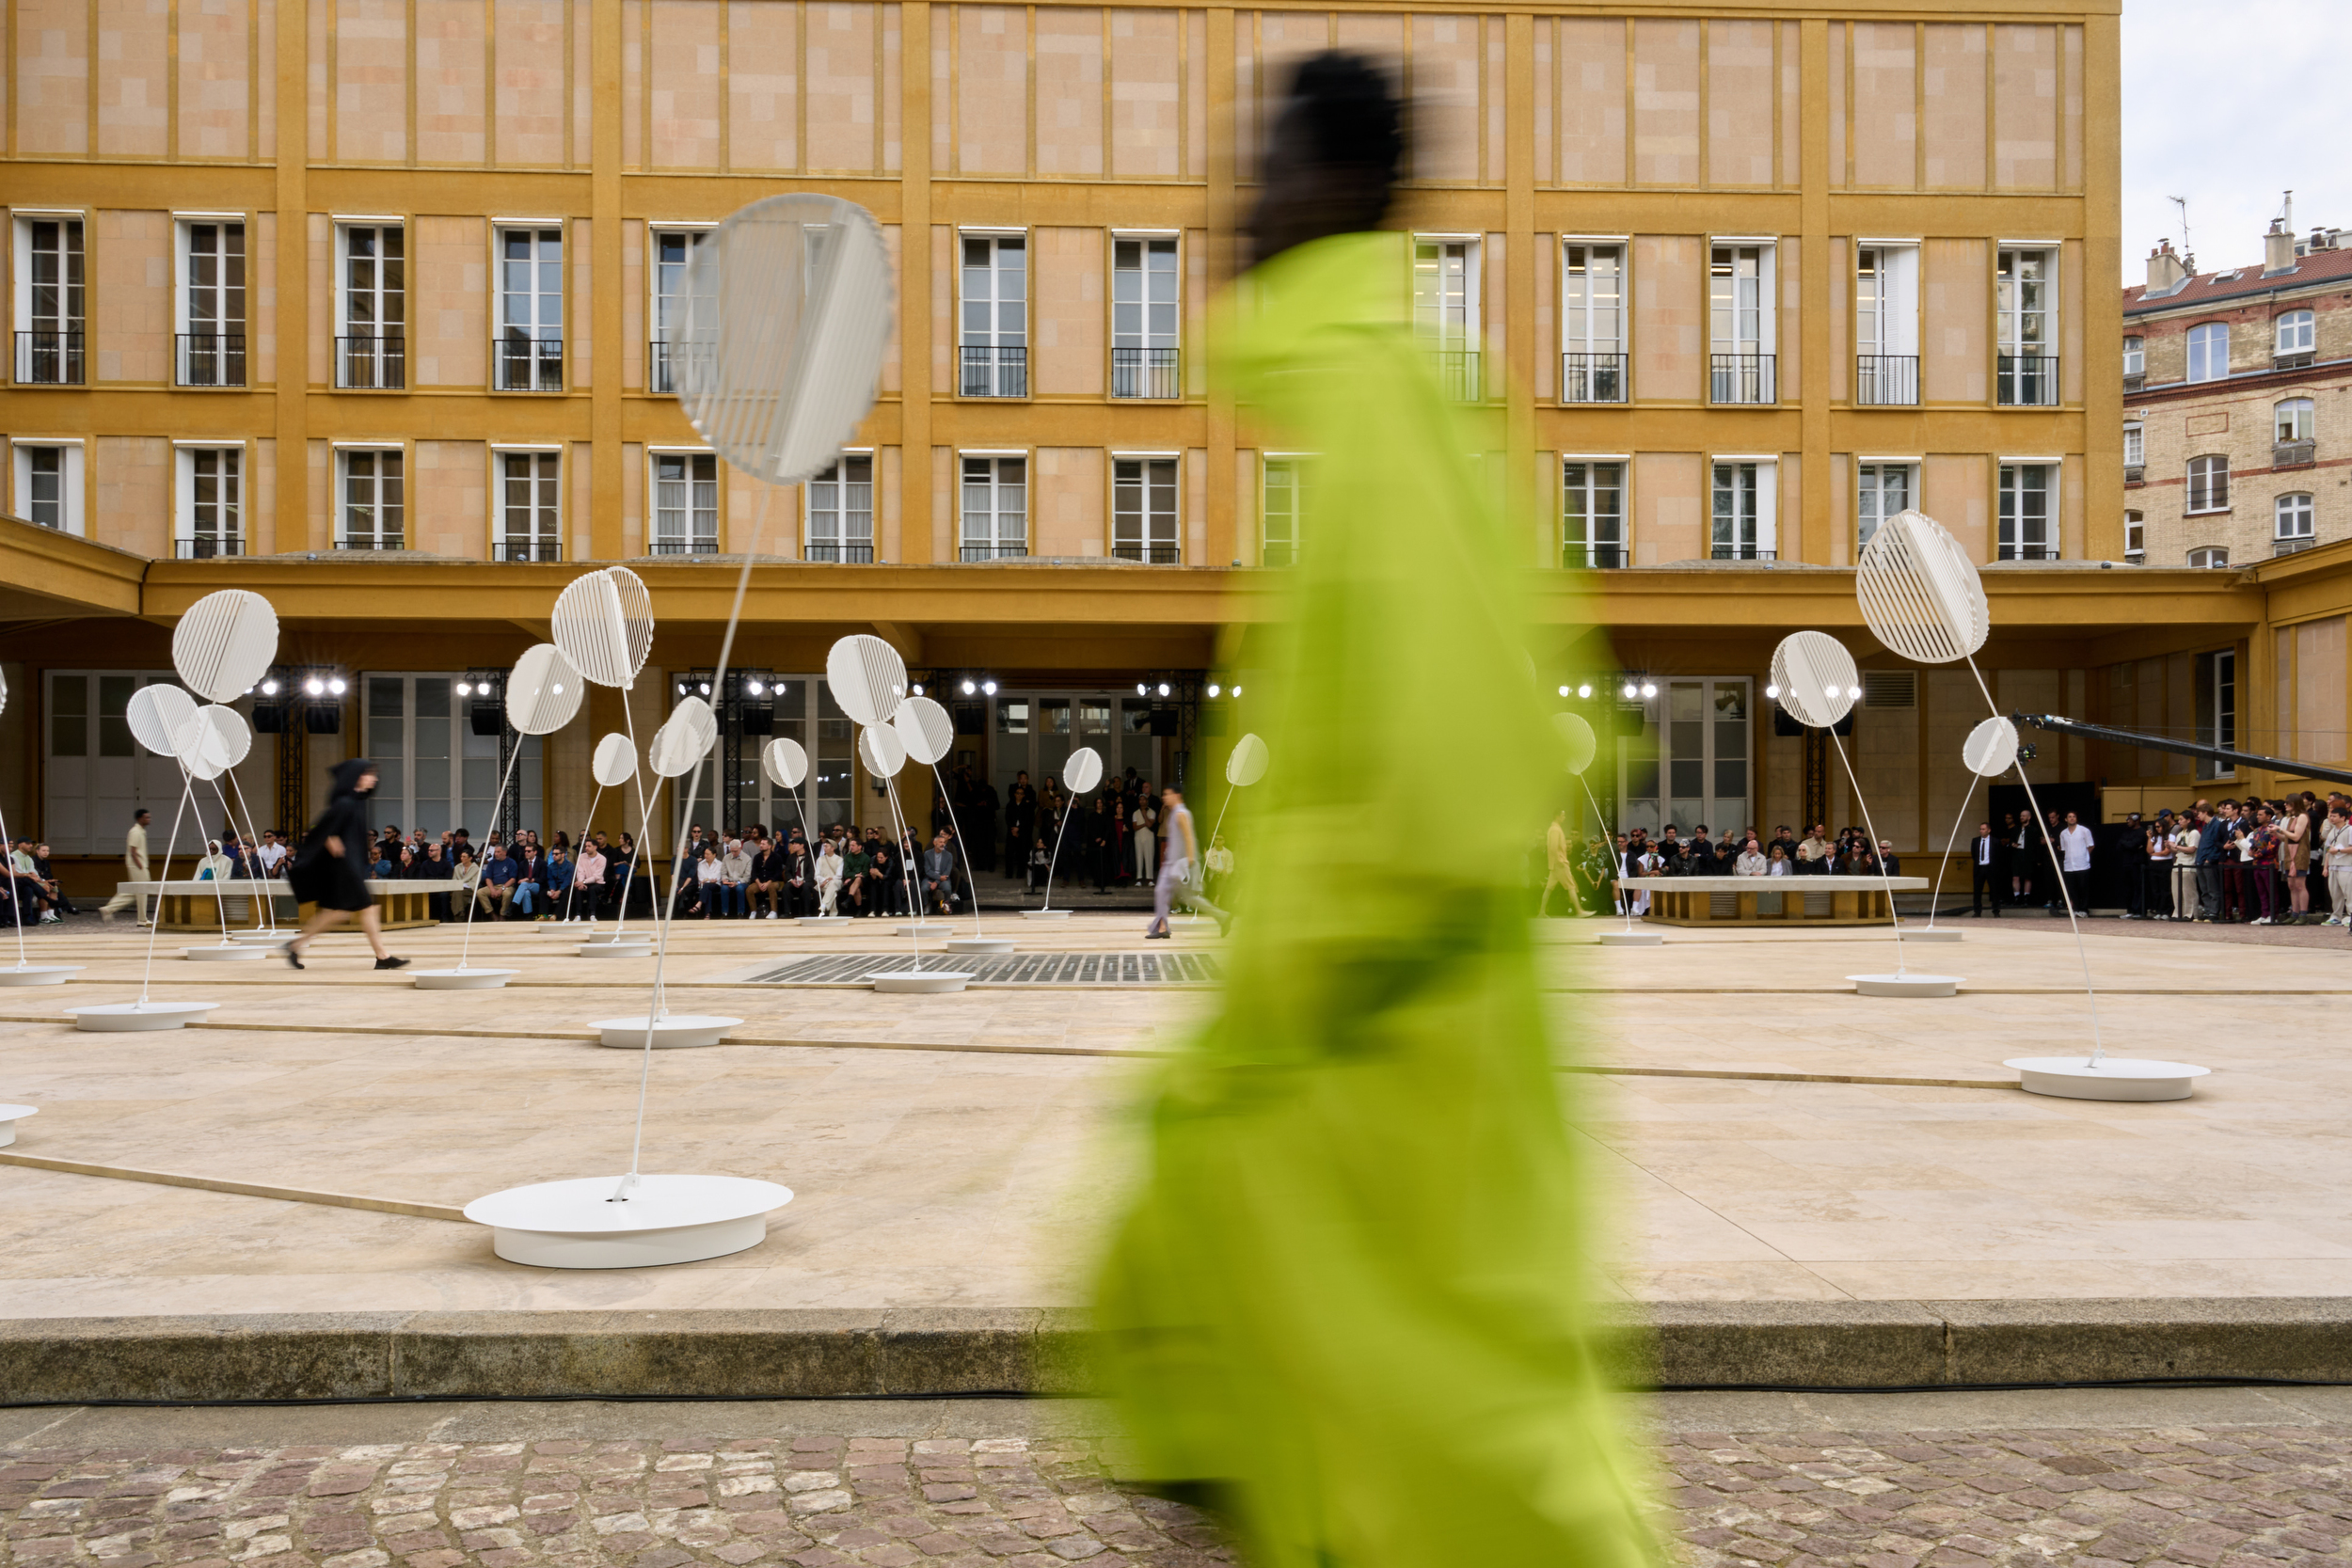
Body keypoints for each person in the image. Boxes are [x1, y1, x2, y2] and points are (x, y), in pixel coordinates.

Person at [1098, 59, 1653, 1565]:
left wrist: (1285, 1002)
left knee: (1482, 1462)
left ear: (1335, 191)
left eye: (1264, 172)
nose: (1236, 209)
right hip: (1359, 1050)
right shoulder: (1377, 389)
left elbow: (1459, 751)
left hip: (1393, 1064)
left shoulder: (1382, 387)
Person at [282, 760, 406, 969]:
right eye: (369, 774)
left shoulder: (355, 802)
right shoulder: (345, 803)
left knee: (336, 912)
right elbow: (318, 828)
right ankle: (383, 957)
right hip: (345, 868)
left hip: (348, 867)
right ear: (357, 776)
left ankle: (295, 945)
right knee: (367, 908)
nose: (374, 778)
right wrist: (330, 838)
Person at [1144, 783, 1228, 939]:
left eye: (1167, 794)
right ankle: (1163, 928)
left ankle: (1222, 916)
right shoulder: (1176, 812)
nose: (1164, 797)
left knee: (1187, 898)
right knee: (1172, 894)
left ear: (1176, 795)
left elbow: (1189, 836)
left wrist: (1190, 860)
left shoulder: (1181, 813)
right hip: (1175, 864)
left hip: (1180, 865)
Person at [99, 808, 151, 924]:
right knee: (142, 891)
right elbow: (133, 851)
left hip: (139, 865)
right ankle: (142, 919)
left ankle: (108, 909)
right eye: (146, 817)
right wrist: (140, 866)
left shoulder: (141, 831)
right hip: (137, 866)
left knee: (133, 891)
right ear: (139, 819)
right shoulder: (135, 832)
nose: (149, 819)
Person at [1538, 808, 1579, 917]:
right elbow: (1553, 847)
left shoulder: (1555, 828)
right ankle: (1579, 911)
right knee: (1571, 886)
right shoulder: (1555, 829)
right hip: (1559, 863)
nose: (1564, 817)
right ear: (1557, 816)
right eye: (1563, 815)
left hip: (1556, 864)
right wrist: (1560, 860)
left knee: (1549, 888)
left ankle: (1542, 911)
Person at [922, 832, 960, 915]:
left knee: (947, 888)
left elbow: (947, 871)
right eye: (940, 842)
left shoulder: (949, 855)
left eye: (944, 842)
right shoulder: (927, 854)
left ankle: (946, 905)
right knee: (924, 888)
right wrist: (938, 878)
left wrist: (936, 882)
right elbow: (927, 870)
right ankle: (927, 905)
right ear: (934, 843)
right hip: (930, 878)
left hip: (943, 878)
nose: (943, 844)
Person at [571, 837, 606, 923]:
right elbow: (580, 872)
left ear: (595, 847)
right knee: (579, 890)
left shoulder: (602, 859)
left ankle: (592, 914)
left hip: (598, 883)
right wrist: (581, 883)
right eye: (585, 846)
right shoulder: (581, 857)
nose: (586, 848)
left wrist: (583, 882)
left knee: (592, 889)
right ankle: (578, 915)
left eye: (589, 846)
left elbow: (597, 876)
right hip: (584, 881)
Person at [815, 836, 844, 916]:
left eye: (826, 846)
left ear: (832, 848)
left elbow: (839, 875)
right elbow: (816, 875)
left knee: (833, 884)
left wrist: (827, 881)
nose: (824, 848)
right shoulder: (820, 859)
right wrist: (824, 880)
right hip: (823, 884)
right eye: (824, 846)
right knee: (832, 891)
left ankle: (824, 904)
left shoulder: (839, 860)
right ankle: (833, 913)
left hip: (836, 882)